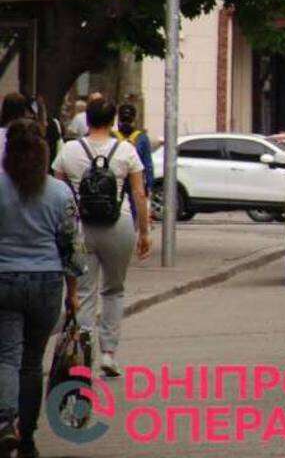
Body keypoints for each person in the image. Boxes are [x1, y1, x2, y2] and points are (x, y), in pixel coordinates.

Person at [52, 98, 150, 378]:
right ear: (113, 121)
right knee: (114, 289)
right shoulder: (126, 150)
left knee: (83, 293)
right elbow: (139, 193)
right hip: (119, 224)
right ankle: (108, 353)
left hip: (81, 227)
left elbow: (58, 191)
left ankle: (82, 353)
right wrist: (144, 232)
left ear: (87, 120)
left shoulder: (69, 150)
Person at [0, 119, 80, 457]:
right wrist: (73, 293)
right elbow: (71, 248)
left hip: (4, 280)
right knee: (32, 362)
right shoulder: (60, 192)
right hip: (47, 282)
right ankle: (28, 438)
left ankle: (6, 423)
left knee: (6, 356)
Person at [113, 103, 154, 214]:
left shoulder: (141, 138)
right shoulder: (113, 136)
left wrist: (149, 184)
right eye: (123, 120)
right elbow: (148, 164)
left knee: (135, 208)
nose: (126, 124)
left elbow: (147, 164)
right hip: (120, 178)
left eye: (129, 120)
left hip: (132, 178)